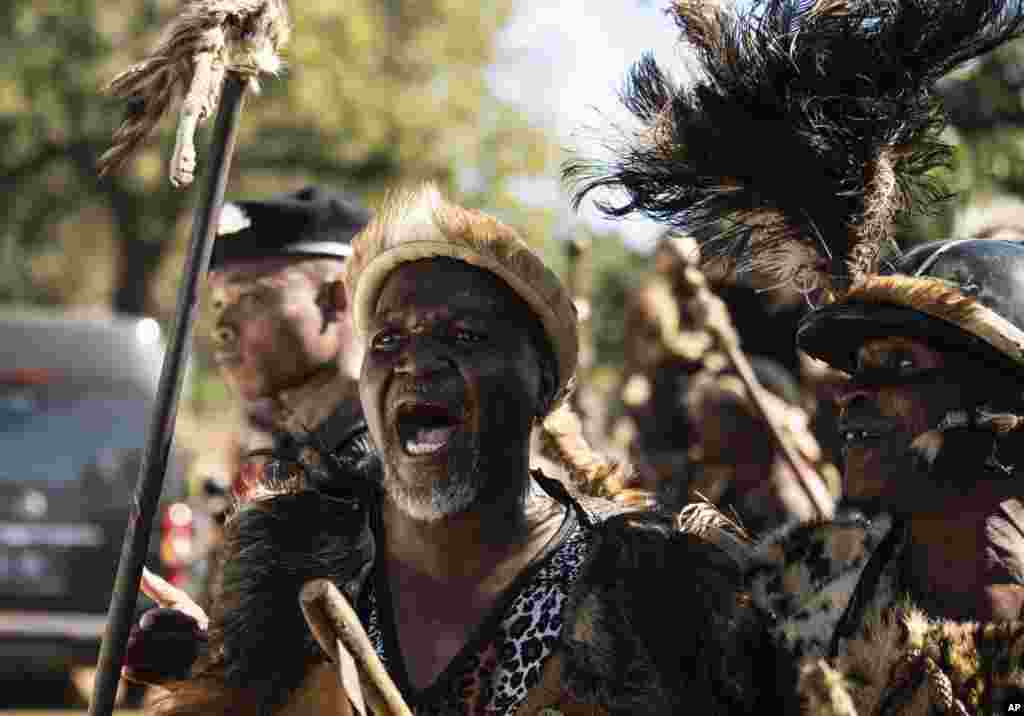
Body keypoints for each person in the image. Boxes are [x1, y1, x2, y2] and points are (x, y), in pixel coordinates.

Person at [146, 184, 773, 716]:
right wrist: (209, 674)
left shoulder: (657, 592)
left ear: (543, 387)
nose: (416, 360)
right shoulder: (291, 564)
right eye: (388, 338)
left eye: (465, 334)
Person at [567, 0, 1024, 711]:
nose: (849, 395)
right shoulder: (782, 604)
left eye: (896, 368)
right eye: (854, 369)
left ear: (1007, 412)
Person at [123, 185, 375, 684]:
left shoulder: (390, 469)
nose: (223, 324)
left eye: (251, 297)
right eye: (218, 301)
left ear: (337, 299)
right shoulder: (299, 456)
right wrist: (213, 652)